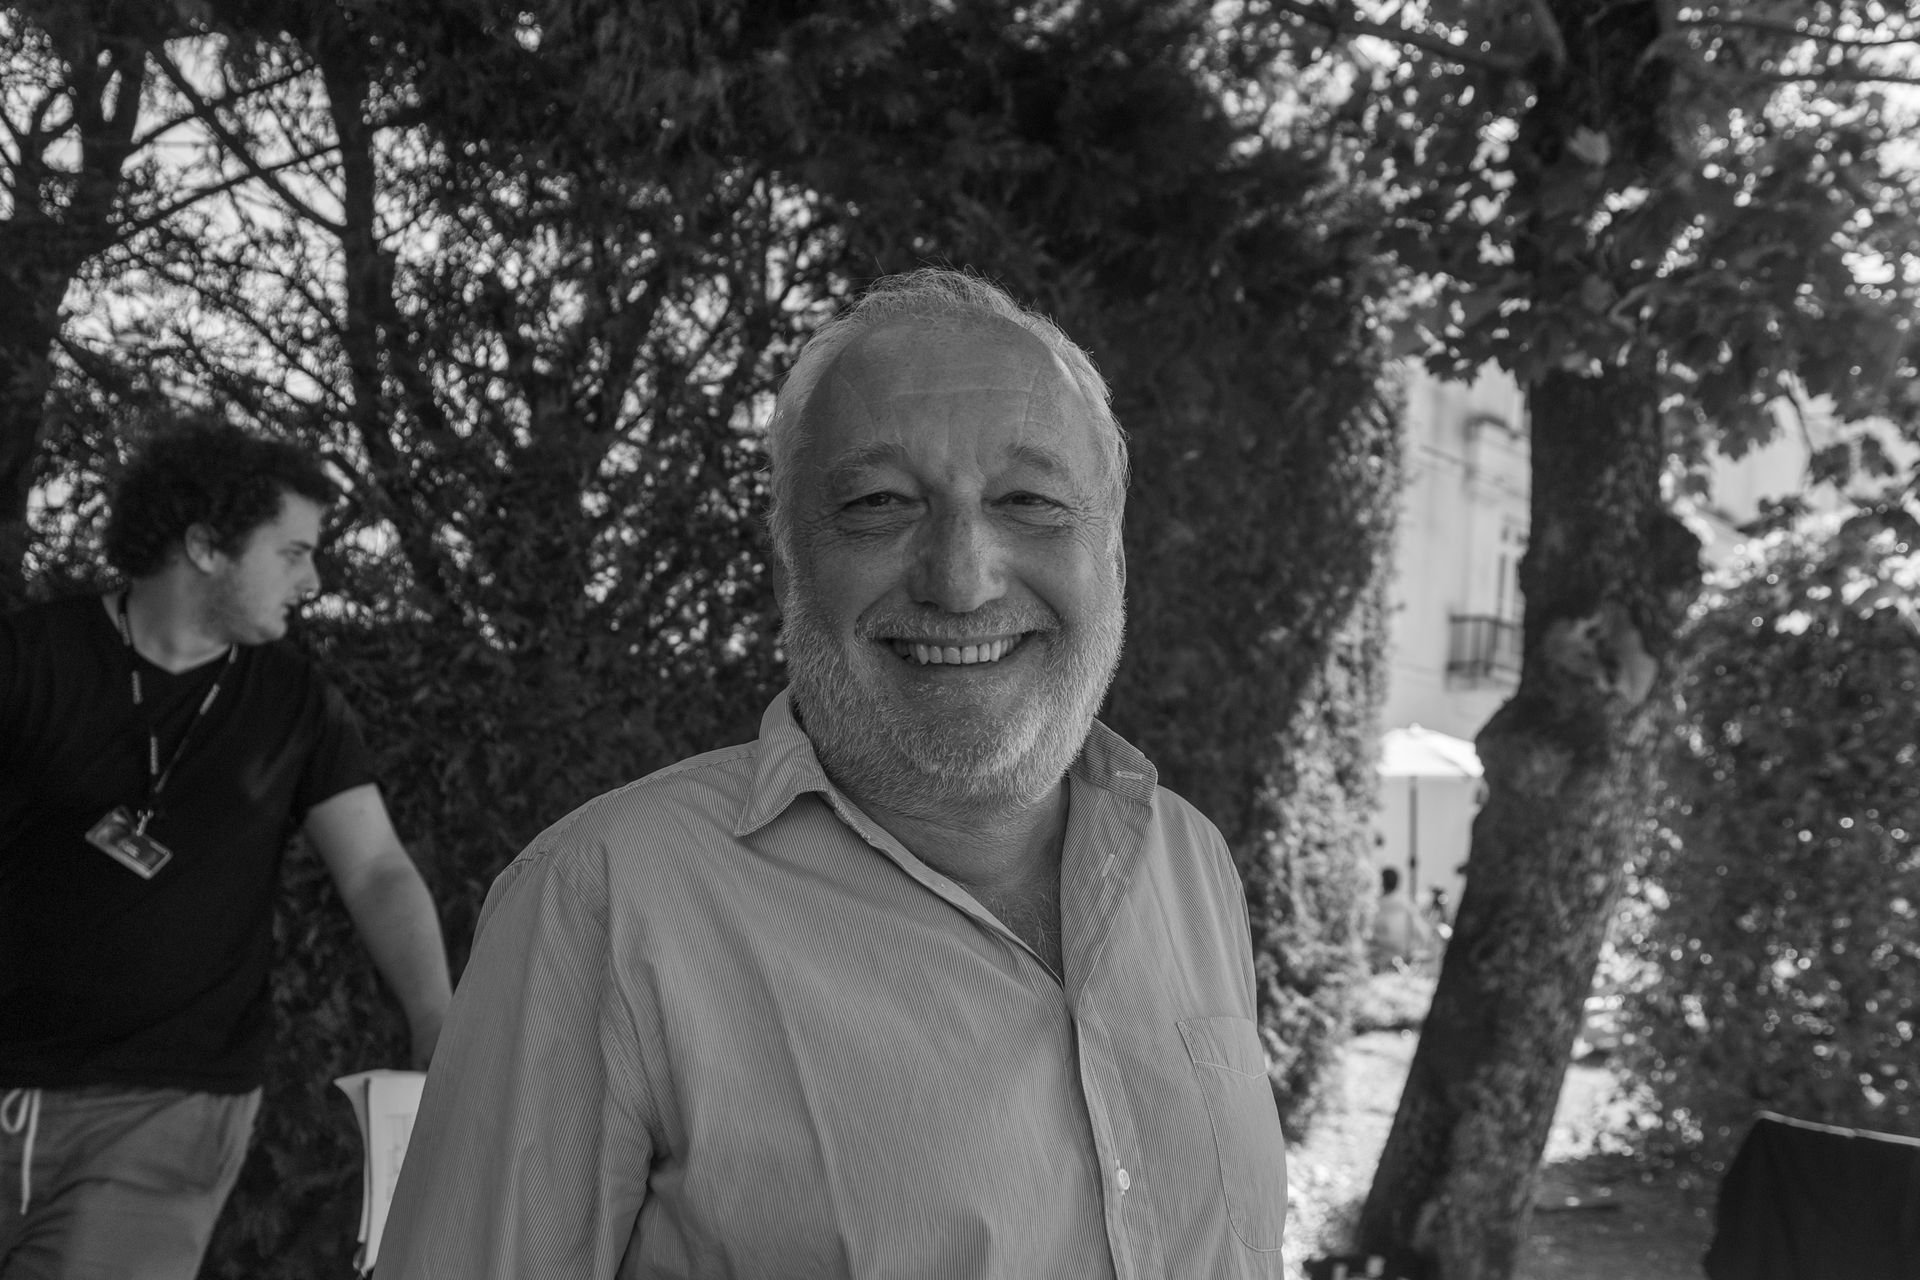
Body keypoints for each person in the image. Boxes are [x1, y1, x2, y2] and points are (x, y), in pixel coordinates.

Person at [376, 268, 1290, 1278]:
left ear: (1111, 556)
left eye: (1029, 501)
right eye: (879, 503)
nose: (960, 578)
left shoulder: (1189, 860)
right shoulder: (601, 902)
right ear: (789, 563)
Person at [0, 418, 453, 1279]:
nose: (313, 582)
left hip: (168, 1112)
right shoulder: (30, 662)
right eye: (293, 553)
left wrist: (437, 1018)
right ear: (206, 546)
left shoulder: (295, 702)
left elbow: (376, 869)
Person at [1369, 866, 1438, 973]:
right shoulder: (1406, 905)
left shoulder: (1374, 906)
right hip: (1401, 961)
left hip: (1378, 961)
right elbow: (1424, 933)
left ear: (1381, 883)